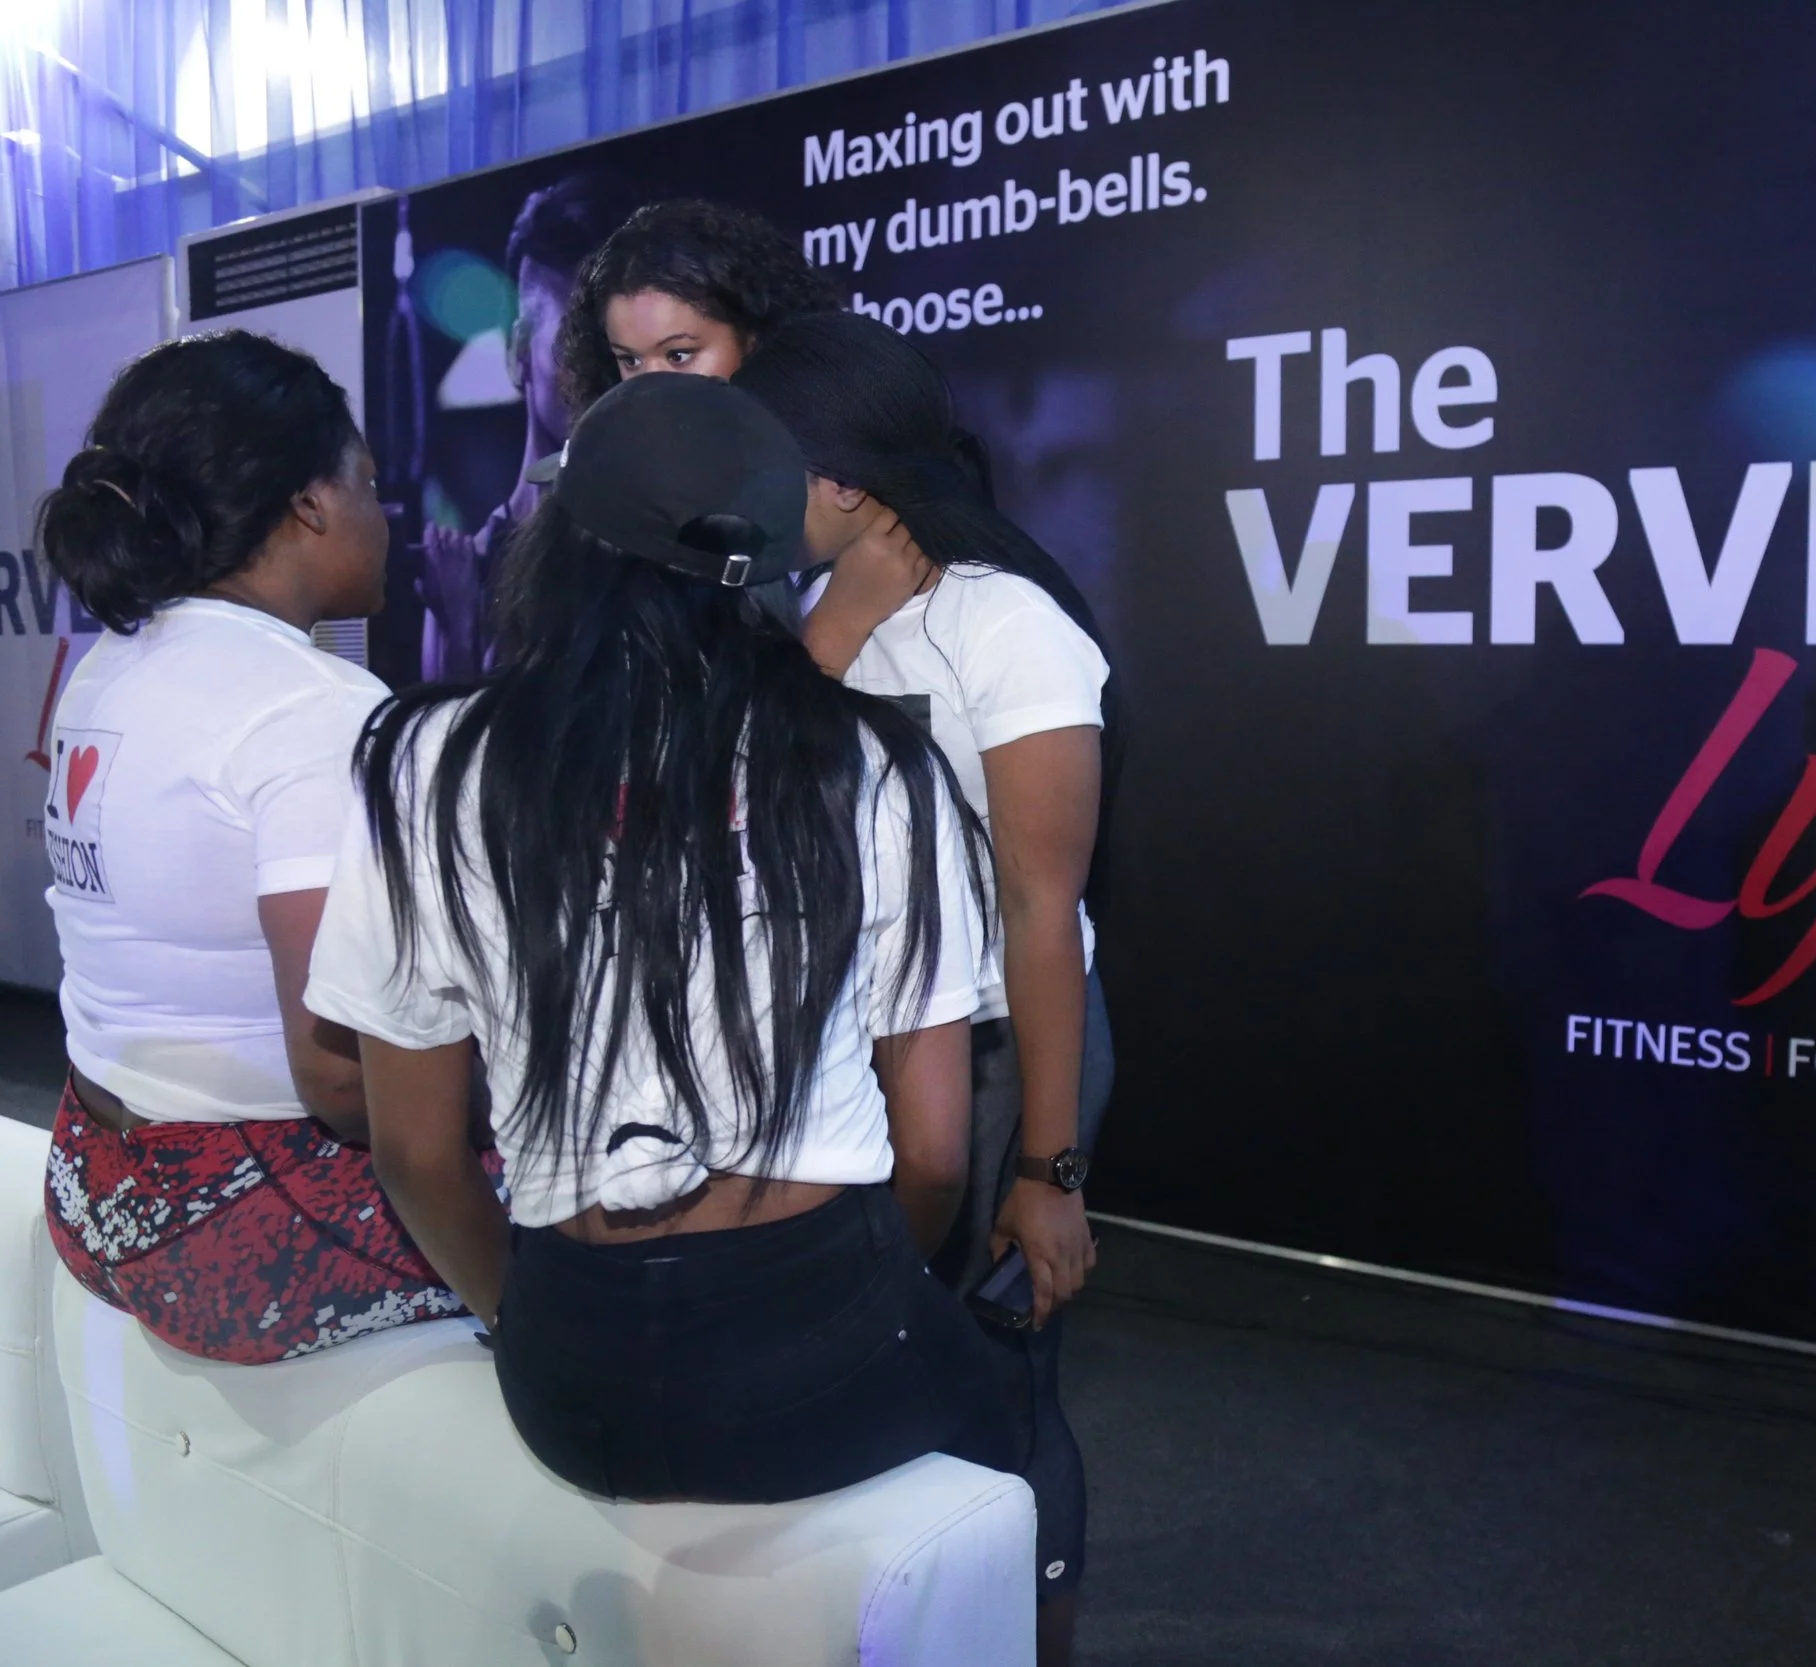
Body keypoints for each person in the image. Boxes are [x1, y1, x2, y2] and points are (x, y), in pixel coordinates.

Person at [301, 374, 1042, 1530]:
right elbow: (938, 1154)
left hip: (570, 1370)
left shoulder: (425, 763)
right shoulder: (874, 763)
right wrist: (852, 1303)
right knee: (1018, 1453)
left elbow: (416, 1151)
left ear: (560, 542)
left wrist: (526, 1318)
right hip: (823, 1339)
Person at [736, 309, 1115, 1653]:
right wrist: (833, 635)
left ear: (843, 478)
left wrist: (1050, 1170)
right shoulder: (804, 613)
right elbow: (737, 816)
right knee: (873, 1359)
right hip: (857, 1047)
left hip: (1005, 1052)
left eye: (763, 459)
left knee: (997, 1377)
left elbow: (1042, 911)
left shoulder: (1004, 623)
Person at [33, 331, 476, 1364]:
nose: (384, 514)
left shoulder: (108, 665)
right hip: (238, 1226)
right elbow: (340, 1080)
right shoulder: (313, 707)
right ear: (311, 503)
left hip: (94, 1178)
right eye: (369, 483)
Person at [416, 172, 638, 680]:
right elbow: (443, 727)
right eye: (573, 343)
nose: (600, 370)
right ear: (519, 352)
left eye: (617, 347)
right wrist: (460, 633)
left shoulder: (657, 553)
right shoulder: (466, 575)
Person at [556, 198, 841, 405]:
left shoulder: (826, 465)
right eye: (631, 361)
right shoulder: (604, 469)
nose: (650, 390)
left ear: (754, 341)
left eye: (678, 356)